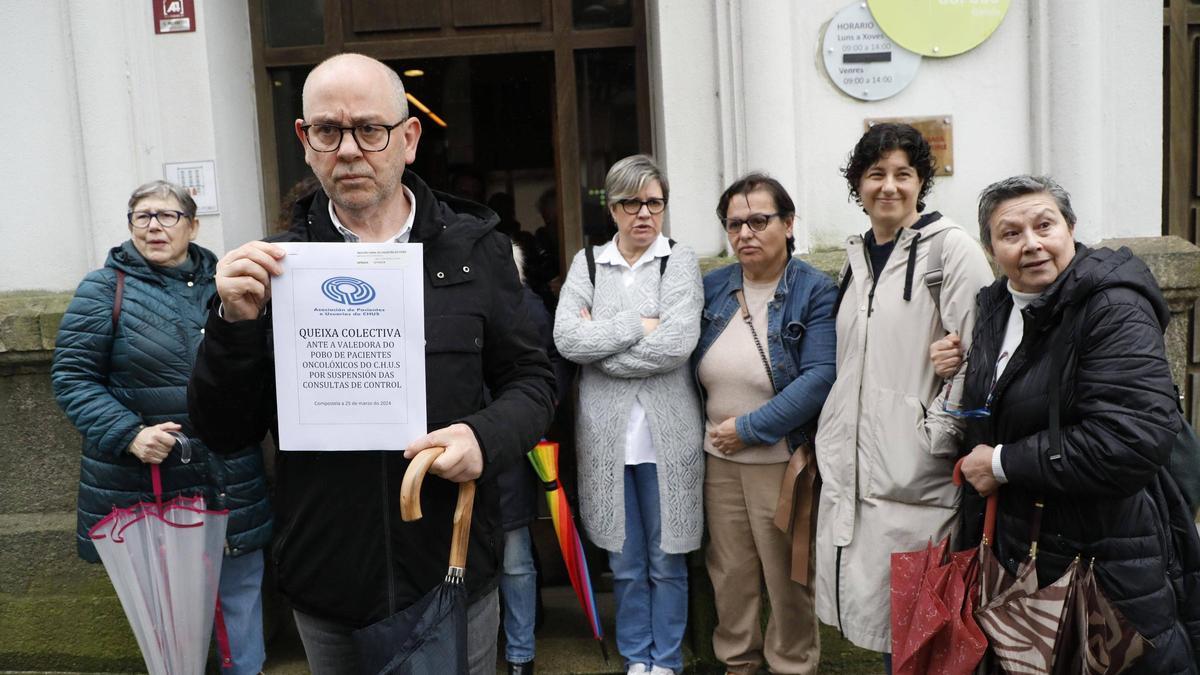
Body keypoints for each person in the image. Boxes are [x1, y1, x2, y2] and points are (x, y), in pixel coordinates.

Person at [186, 53, 556, 675]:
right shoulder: (275, 268)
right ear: (306, 142)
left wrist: (484, 436)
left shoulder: (476, 252)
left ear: (408, 139)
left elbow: (537, 380)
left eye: (370, 130)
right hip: (329, 580)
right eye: (329, 131)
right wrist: (233, 326)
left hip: (452, 568)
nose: (351, 149)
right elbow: (222, 431)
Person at [933, 175, 1200, 672]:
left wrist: (1003, 462)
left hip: (1105, 556)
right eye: (1011, 233)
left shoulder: (1113, 306)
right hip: (1022, 546)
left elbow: (1130, 440)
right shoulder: (995, 304)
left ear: (1071, 229)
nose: (1031, 243)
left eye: (1045, 225)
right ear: (991, 249)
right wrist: (961, 370)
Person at [52, 180, 272, 675]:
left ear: (192, 225)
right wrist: (130, 434)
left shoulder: (228, 282)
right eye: (142, 216)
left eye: (167, 216)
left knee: (240, 588)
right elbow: (72, 377)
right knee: (172, 617)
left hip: (231, 472)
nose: (154, 226)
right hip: (152, 483)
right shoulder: (104, 289)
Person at [812, 123, 994, 668]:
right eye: (875, 174)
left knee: (922, 634)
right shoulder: (857, 257)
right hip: (860, 471)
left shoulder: (950, 250)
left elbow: (980, 352)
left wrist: (937, 430)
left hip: (920, 477)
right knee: (891, 629)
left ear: (921, 183)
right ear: (857, 185)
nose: (888, 186)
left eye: (902, 174)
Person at [552, 154, 703, 675]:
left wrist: (606, 340)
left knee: (667, 561)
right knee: (626, 563)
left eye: (654, 203)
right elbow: (568, 339)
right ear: (613, 208)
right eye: (632, 203)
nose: (644, 214)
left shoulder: (678, 262)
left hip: (670, 441)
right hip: (607, 441)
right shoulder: (588, 264)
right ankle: (637, 657)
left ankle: (667, 660)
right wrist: (642, 323)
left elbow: (679, 344)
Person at [693, 173, 837, 674]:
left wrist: (750, 428)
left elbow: (821, 375)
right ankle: (739, 666)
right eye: (734, 224)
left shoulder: (815, 290)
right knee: (730, 575)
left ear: (789, 223)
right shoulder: (712, 286)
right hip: (718, 461)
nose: (745, 233)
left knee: (788, 577)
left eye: (759, 220)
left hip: (782, 460)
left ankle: (792, 666)